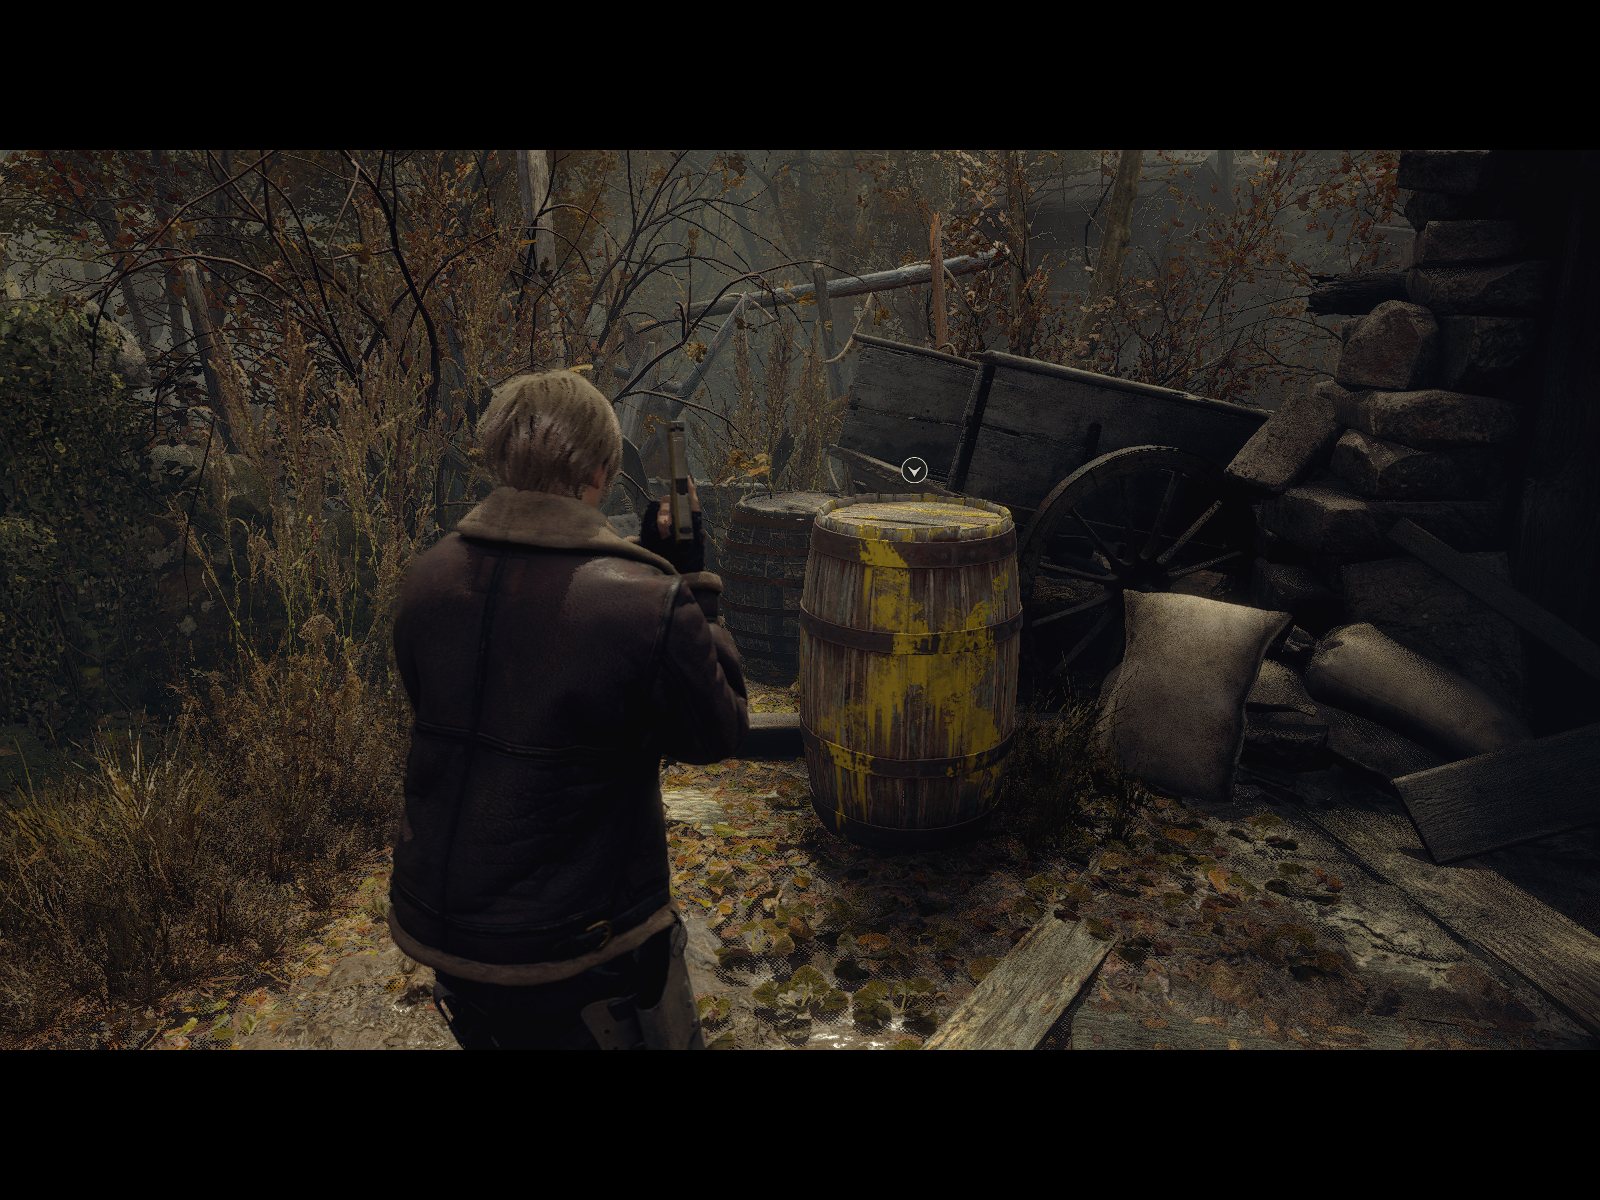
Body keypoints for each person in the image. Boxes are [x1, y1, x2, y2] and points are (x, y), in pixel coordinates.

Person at [387, 369, 749, 1049]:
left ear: (498, 455)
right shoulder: (646, 602)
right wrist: (687, 583)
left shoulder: (428, 576)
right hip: (580, 949)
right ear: (602, 471)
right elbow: (718, 731)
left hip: (442, 931)